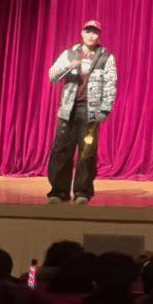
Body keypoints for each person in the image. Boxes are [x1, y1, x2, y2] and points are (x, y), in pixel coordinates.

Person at [45, 20, 117, 204]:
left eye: (95, 32)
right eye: (88, 31)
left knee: (87, 152)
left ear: (99, 36)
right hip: (68, 110)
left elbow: (111, 85)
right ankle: (59, 192)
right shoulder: (69, 54)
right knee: (61, 151)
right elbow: (52, 75)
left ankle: (82, 193)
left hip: (90, 113)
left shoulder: (105, 58)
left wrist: (105, 110)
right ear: (82, 33)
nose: (91, 35)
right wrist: (68, 66)